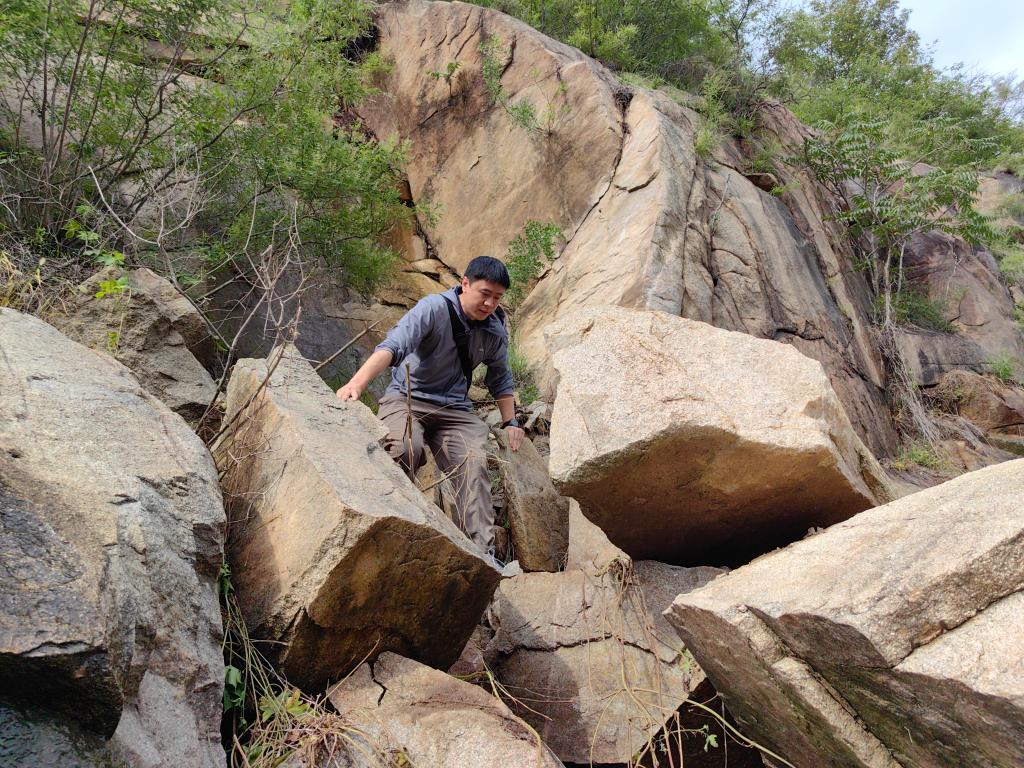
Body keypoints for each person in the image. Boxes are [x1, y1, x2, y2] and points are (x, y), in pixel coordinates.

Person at [335, 255, 525, 563]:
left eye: (497, 297)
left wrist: (511, 422)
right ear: (465, 284)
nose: (490, 303)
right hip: (408, 398)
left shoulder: (493, 331)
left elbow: (501, 379)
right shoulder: (433, 309)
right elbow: (392, 347)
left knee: (473, 463)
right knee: (404, 448)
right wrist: (356, 384)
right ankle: (386, 531)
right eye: (485, 294)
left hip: (455, 410)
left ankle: (481, 557)